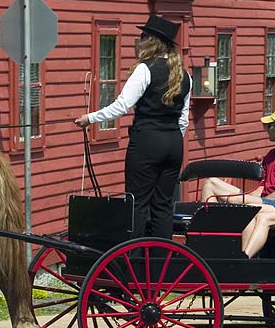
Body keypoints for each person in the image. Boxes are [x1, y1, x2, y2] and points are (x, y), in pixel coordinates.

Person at [75, 14, 191, 239]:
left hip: (147, 141)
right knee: (163, 205)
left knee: (137, 204)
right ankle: (160, 262)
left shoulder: (145, 69)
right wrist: (171, 137)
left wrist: (90, 118)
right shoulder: (185, 75)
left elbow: (121, 106)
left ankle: (136, 261)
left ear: (152, 41)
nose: (139, 40)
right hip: (174, 143)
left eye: (143, 36)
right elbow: (183, 120)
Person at [200, 109, 275, 208]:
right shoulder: (272, 154)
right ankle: (210, 226)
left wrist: (257, 201)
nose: (266, 129)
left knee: (235, 200)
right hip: (263, 200)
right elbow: (262, 187)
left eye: (269, 126)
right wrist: (251, 198)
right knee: (210, 183)